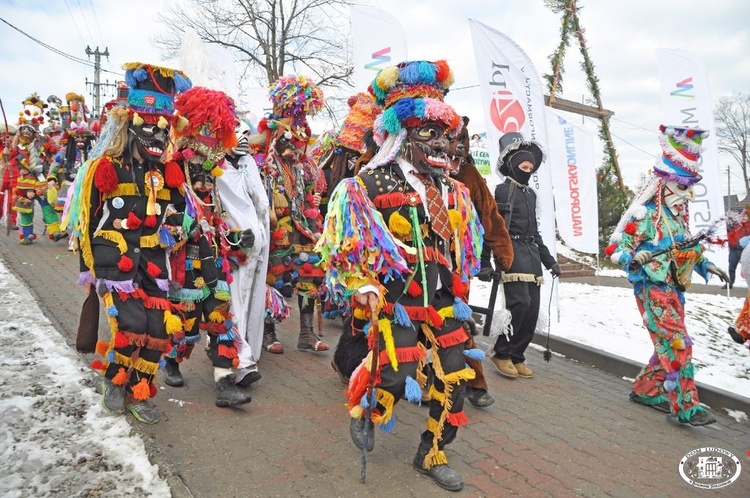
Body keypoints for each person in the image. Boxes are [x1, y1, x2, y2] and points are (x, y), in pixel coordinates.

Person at [317, 60, 483, 492]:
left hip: (444, 301)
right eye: (429, 134)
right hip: (397, 301)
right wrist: (365, 286)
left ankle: (432, 452)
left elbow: (460, 248)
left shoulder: (456, 190)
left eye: (447, 135)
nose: (443, 145)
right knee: (393, 375)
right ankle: (368, 409)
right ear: (402, 134)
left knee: (455, 380)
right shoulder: (368, 184)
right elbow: (346, 247)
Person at [68, 62, 193, 424]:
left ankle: (140, 389)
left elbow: (182, 214)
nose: (156, 134)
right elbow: (85, 221)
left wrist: (178, 226)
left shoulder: (168, 174)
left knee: (158, 329)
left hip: (154, 263)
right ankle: (115, 381)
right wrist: (90, 273)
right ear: (130, 124)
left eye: (162, 127)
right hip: (113, 262)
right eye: (148, 125)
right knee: (131, 325)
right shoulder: (103, 167)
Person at [606, 125, 728, 426]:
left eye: (689, 188)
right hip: (652, 290)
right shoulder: (644, 215)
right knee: (678, 343)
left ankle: (646, 390)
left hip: (675, 290)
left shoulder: (677, 219)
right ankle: (686, 406)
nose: (687, 194)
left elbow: (687, 249)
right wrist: (634, 258)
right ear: (664, 185)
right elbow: (616, 248)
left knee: (668, 342)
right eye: (682, 187)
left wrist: (706, 265)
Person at [161, 86, 253, 407]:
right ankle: (171, 360)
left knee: (220, 318)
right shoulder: (172, 174)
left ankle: (224, 383)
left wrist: (235, 238)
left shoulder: (215, 179)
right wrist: (188, 225)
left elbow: (220, 218)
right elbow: (165, 225)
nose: (203, 175)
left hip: (214, 259)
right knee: (185, 325)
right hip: (185, 263)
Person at [250, 75, 329, 354]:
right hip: (273, 225)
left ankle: (306, 334)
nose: (295, 146)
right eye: (289, 139)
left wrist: (315, 199)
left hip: (303, 224)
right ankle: (268, 332)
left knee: (311, 273)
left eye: (299, 140)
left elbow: (312, 190)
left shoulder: (305, 165)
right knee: (273, 276)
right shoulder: (259, 160)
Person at [448, 116, 514, 407]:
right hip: (411, 261)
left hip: (456, 264)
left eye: (456, 143)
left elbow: (489, 214)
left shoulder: (470, 175)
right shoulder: (407, 169)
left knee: (457, 320)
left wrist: (501, 250)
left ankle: (473, 382)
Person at [491, 132, 560, 379]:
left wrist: (549, 260)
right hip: (511, 252)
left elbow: (536, 232)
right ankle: (502, 353)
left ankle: (518, 355)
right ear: (512, 165)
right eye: (523, 166)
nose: (527, 170)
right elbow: (492, 226)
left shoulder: (531, 195)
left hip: (531, 254)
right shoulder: (501, 190)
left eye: (531, 167)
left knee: (532, 310)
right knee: (519, 305)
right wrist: (486, 260)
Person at [217, 119, 273, 387]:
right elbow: (214, 208)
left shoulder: (248, 165)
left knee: (247, 302)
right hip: (233, 250)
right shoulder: (215, 168)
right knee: (232, 304)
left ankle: (243, 352)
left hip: (256, 251)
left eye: (246, 135)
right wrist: (231, 236)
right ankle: (240, 361)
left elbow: (260, 203)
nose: (243, 140)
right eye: (237, 134)